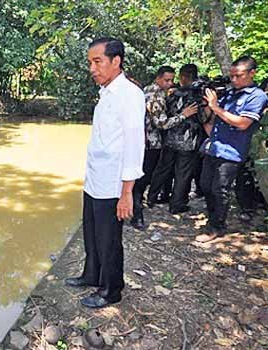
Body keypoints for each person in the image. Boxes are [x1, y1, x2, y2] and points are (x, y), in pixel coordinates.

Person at [64, 37, 145, 308]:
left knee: (109, 240)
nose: (92, 68)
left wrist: (127, 193)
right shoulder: (106, 92)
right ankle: (91, 275)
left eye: (97, 62)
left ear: (116, 61)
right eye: (90, 62)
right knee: (91, 232)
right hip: (95, 180)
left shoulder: (130, 95)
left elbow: (135, 146)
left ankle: (111, 290)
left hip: (113, 184)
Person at [196, 56, 268, 242]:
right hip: (214, 148)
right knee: (205, 186)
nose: (234, 80)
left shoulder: (257, 96)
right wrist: (206, 107)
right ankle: (213, 218)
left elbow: (243, 123)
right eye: (232, 76)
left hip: (232, 152)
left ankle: (217, 227)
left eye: (239, 76)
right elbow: (213, 122)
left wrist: (216, 107)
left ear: (252, 73)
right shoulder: (229, 93)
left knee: (220, 189)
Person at [146, 64, 203, 214]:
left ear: (182, 77)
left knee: (163, 169)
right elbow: (204, 117)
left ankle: (151, 197)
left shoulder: (172, 94)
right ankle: (176, 204)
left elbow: (166, 112)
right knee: (182, 174)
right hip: (188, 140)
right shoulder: (198, 95)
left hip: (170, 138)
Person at [131, 66, 175, 230]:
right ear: (158, 78)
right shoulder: (155, 94)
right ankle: (137, 214)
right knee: (142, 180)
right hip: (150, 143)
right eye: (167, 80)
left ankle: (135, 211)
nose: (170, 84)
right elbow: (161, 123)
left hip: (141, 142)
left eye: (171, 80)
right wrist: (184, 115)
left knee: (138, 179)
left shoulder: (147, 90)